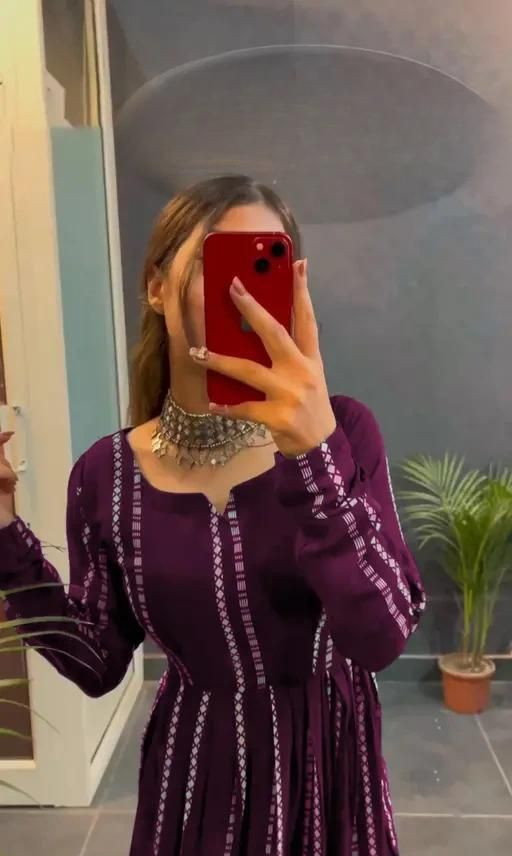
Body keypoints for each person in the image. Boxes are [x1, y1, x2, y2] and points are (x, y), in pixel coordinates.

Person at [0, 175, 425, 856]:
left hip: (328, 774)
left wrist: (313, 452)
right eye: (219, 262)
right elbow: (95, 661)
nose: (246, 294)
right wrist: (4, 533)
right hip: (198, 781)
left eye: (267, 267)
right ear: (156, 287)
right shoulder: (107, 475)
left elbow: (382, 636)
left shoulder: (344, 432)